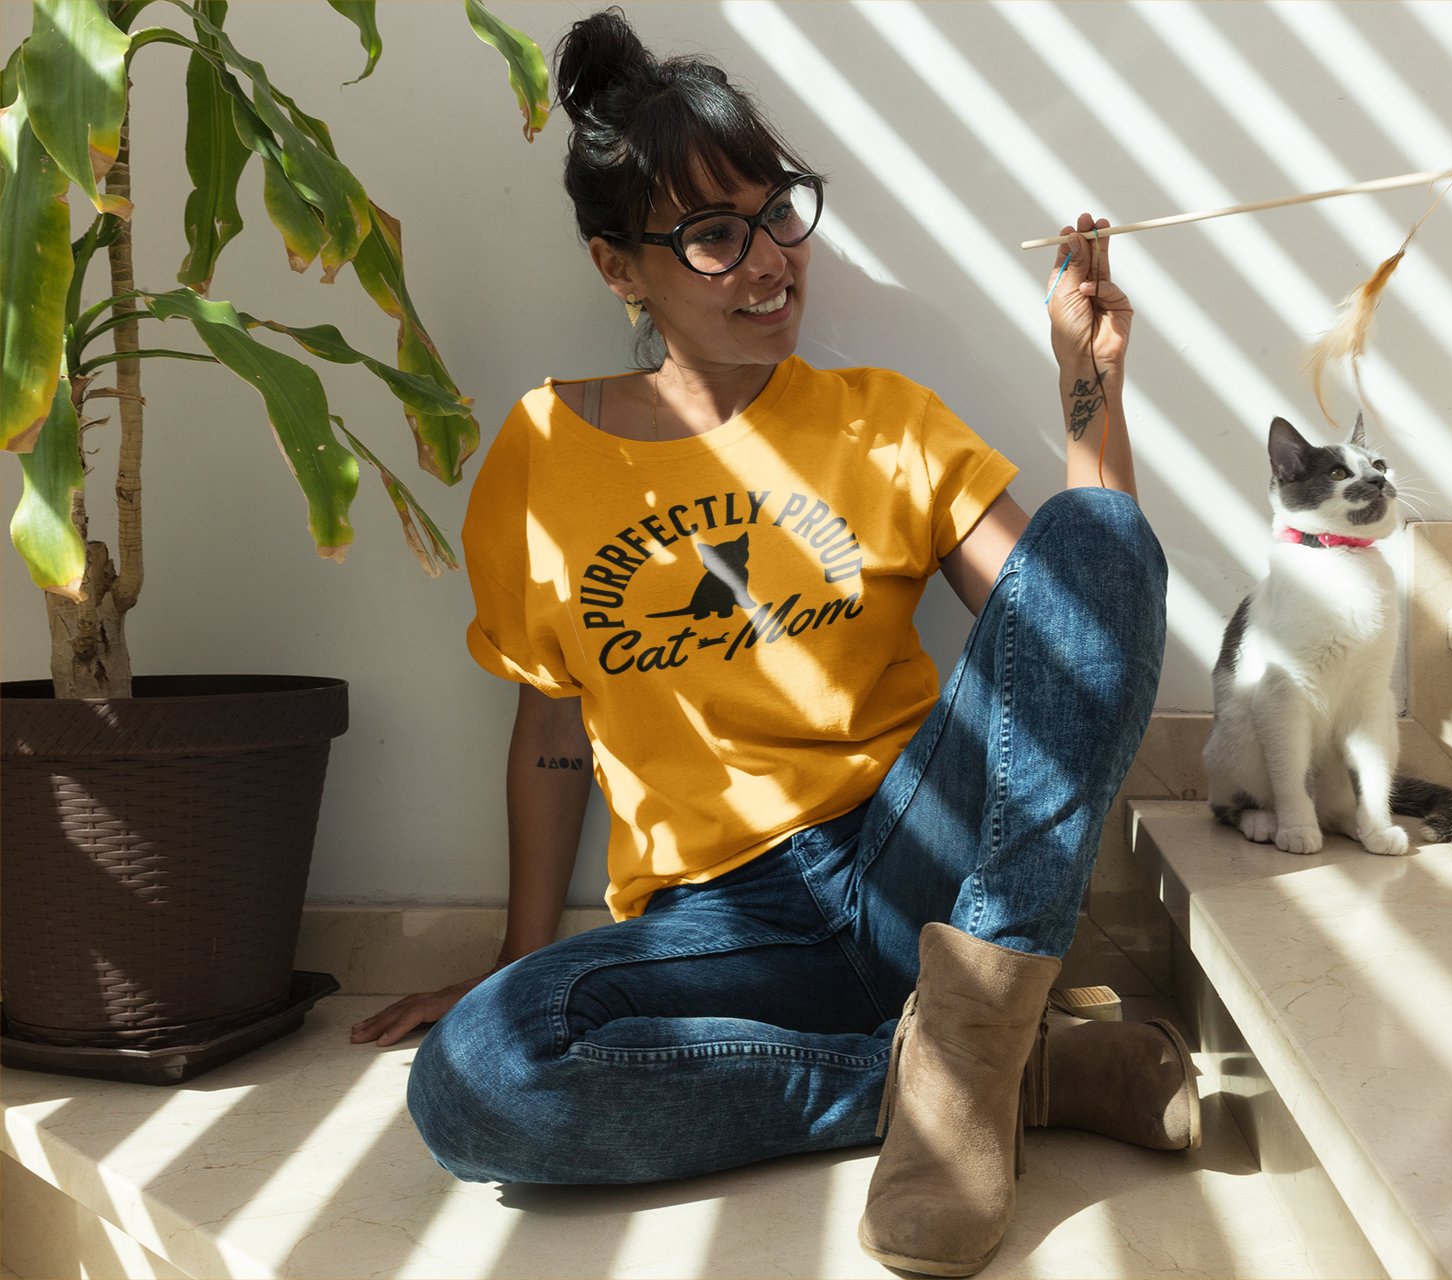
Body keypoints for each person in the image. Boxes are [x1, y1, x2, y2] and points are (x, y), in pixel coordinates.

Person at [355, 9, 1185, 1275]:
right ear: (616, 266)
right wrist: (518, 959)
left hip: (926, 863)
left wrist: (1091, 387)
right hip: (720, 927)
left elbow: (1079, 624)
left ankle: (974, 1026)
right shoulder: (541, 452)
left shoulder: (879, 421)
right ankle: (1008, 1076)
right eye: (712, 234)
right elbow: (549, 727)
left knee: (1102, 530)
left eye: (775, 211)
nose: (767, 262)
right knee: (475, 1078)